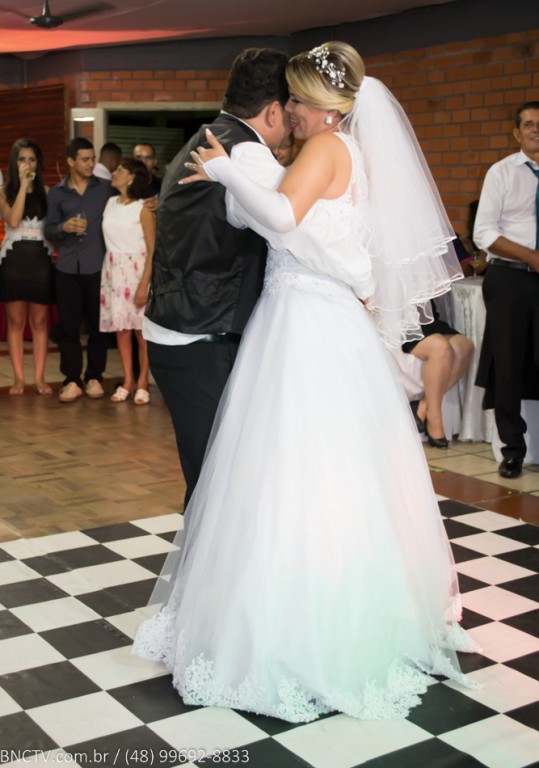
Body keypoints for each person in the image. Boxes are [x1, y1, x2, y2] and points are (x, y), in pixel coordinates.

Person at [133, 42, 477, 723]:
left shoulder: (322, 148)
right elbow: (323, 237)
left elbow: (285, 219)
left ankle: (293, 628)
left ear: (318, 105)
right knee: (327, 470)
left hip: (303, 324)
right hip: (312, 318)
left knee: (291, 470)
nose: (287, 109)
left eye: (294, 98)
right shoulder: (346, 151)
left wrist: (225, 170)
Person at [142, 48, 290, 507]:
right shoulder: (247, 155)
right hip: (204, 334)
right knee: (222, 489)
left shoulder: (207, 137)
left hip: (180, 326)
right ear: (273, 111)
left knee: (213, 480)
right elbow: (297, 229)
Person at [474, 100, 539, 479]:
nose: (536, 129)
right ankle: (512, 449)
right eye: (529, 124)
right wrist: (531, 257)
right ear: (517, 134)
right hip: (510, 277)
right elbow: (483, 233)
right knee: (509, 364)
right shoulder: (501, 173)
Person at [45, 138, 114, 402]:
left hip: (98, 267)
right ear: (71, 161)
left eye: (92, 158)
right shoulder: (57, 193)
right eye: (85, 159)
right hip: (67, 268)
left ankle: (94, 377)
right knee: (69, 327)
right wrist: (63, 228)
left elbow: (130, 200)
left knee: (98, 326)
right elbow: (49, 229)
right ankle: (72, 380)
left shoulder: (105, 189)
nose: (91, 164)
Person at [0, 138, 54, 395]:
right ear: (15, 163)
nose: (27, 164)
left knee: (40, 321)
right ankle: (19, 379)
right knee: (16, 321)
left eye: (31, 159)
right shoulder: (4, 191)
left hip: (40, 262)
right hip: (13, 262)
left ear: (37, 163)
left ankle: (40, 377)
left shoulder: (48, 191)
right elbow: (12, 220)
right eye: (22, 159)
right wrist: (23, 187)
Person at [100, 159, 155, 405]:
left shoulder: (143, 208)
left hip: (137, 271)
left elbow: (153, 250)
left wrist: (144, 284)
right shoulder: (110, 203)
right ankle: (128, 379)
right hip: (114, 270)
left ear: (132, 177)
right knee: (121, 329)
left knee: (141, 331)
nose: (114, 172)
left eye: (120, 170)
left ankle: (143, 381)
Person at [404, 300, 474, 448]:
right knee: (441, 348)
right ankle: (434, 420)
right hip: (400, 321)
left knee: (465, 347)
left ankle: (423, 405)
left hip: (427, 318)